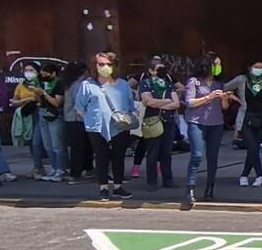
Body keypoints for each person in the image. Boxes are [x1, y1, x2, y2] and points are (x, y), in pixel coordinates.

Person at [75, 51, 136, 201]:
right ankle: (103, 188)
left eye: (109, 64)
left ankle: (117, 186)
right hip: (97, 127)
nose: (105, 67)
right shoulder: (87, 85)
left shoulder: (123, 85)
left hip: (120, 126)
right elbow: (80, 108)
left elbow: (130, 105)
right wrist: (91, 120)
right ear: (94, 66)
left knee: (119, 157)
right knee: (101, 158)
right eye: (101, 64)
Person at [185, 53, 237, 202]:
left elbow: (224, 107)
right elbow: (189, 102)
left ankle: (210, 188)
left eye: (220, 64)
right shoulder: (194, 82)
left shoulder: (219, 83)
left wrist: (224, 99)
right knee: (197, 155)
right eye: (216, 64)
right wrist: (209, 97)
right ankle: (190, 187)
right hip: (197, 122)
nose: (218, 67)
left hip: (216, 123)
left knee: (212, 157)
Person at [139, 57, 180, 191]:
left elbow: (176, 103)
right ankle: (152, 182)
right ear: (151, 71)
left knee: (167, 152)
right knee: (153, 152)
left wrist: (160, 103)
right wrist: (167, 102)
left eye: (163, 69)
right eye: (158, 69)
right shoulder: (146, 83)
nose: (161, 72)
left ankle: (168, 180)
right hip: (152, 121)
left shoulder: (168, 83)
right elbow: (147, 101)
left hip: (168, 121)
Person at [31, 62, 67, 182]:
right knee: (47, 145)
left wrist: (44, 93)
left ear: (53, 73)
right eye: (42, 74)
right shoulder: (42, 82)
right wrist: (37, 95)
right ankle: (54, 167)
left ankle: (61, 169)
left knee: (57, 144)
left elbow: (57, 102)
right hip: (43, 114)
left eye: (46, 74)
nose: (43, 76)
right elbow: (40, 101)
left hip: (55, 115)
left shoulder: (59, 83)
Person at [238, 61, 262, 187]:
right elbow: (223, 87)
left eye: (261, 67)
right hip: (247, 118)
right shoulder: (242, 80)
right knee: (252, 146)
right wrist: (233, 98)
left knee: (254, 148)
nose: (259, 69)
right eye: (256, 67)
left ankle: (244, 175)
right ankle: (259, 175)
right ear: (249, 67)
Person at [11, 63, 44, 178]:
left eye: (31, 70)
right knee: (30, 141)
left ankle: (46, 167)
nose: (28, 72)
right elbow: (14, 102)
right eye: (26, 70)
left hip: (39, 114)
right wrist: (28, 99)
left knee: (36, 142)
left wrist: (38, 95)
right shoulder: (21, 85)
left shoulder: (41, 84)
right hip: (27, 115)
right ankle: (37, 167)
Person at [62, 61, 94, 185]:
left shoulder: (70, 84)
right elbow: (80, 103)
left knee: (83, 146)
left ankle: (86, 169)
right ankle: (75, 174)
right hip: (77, 120)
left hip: (72, 120)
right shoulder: (79, 85)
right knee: (78, 148)